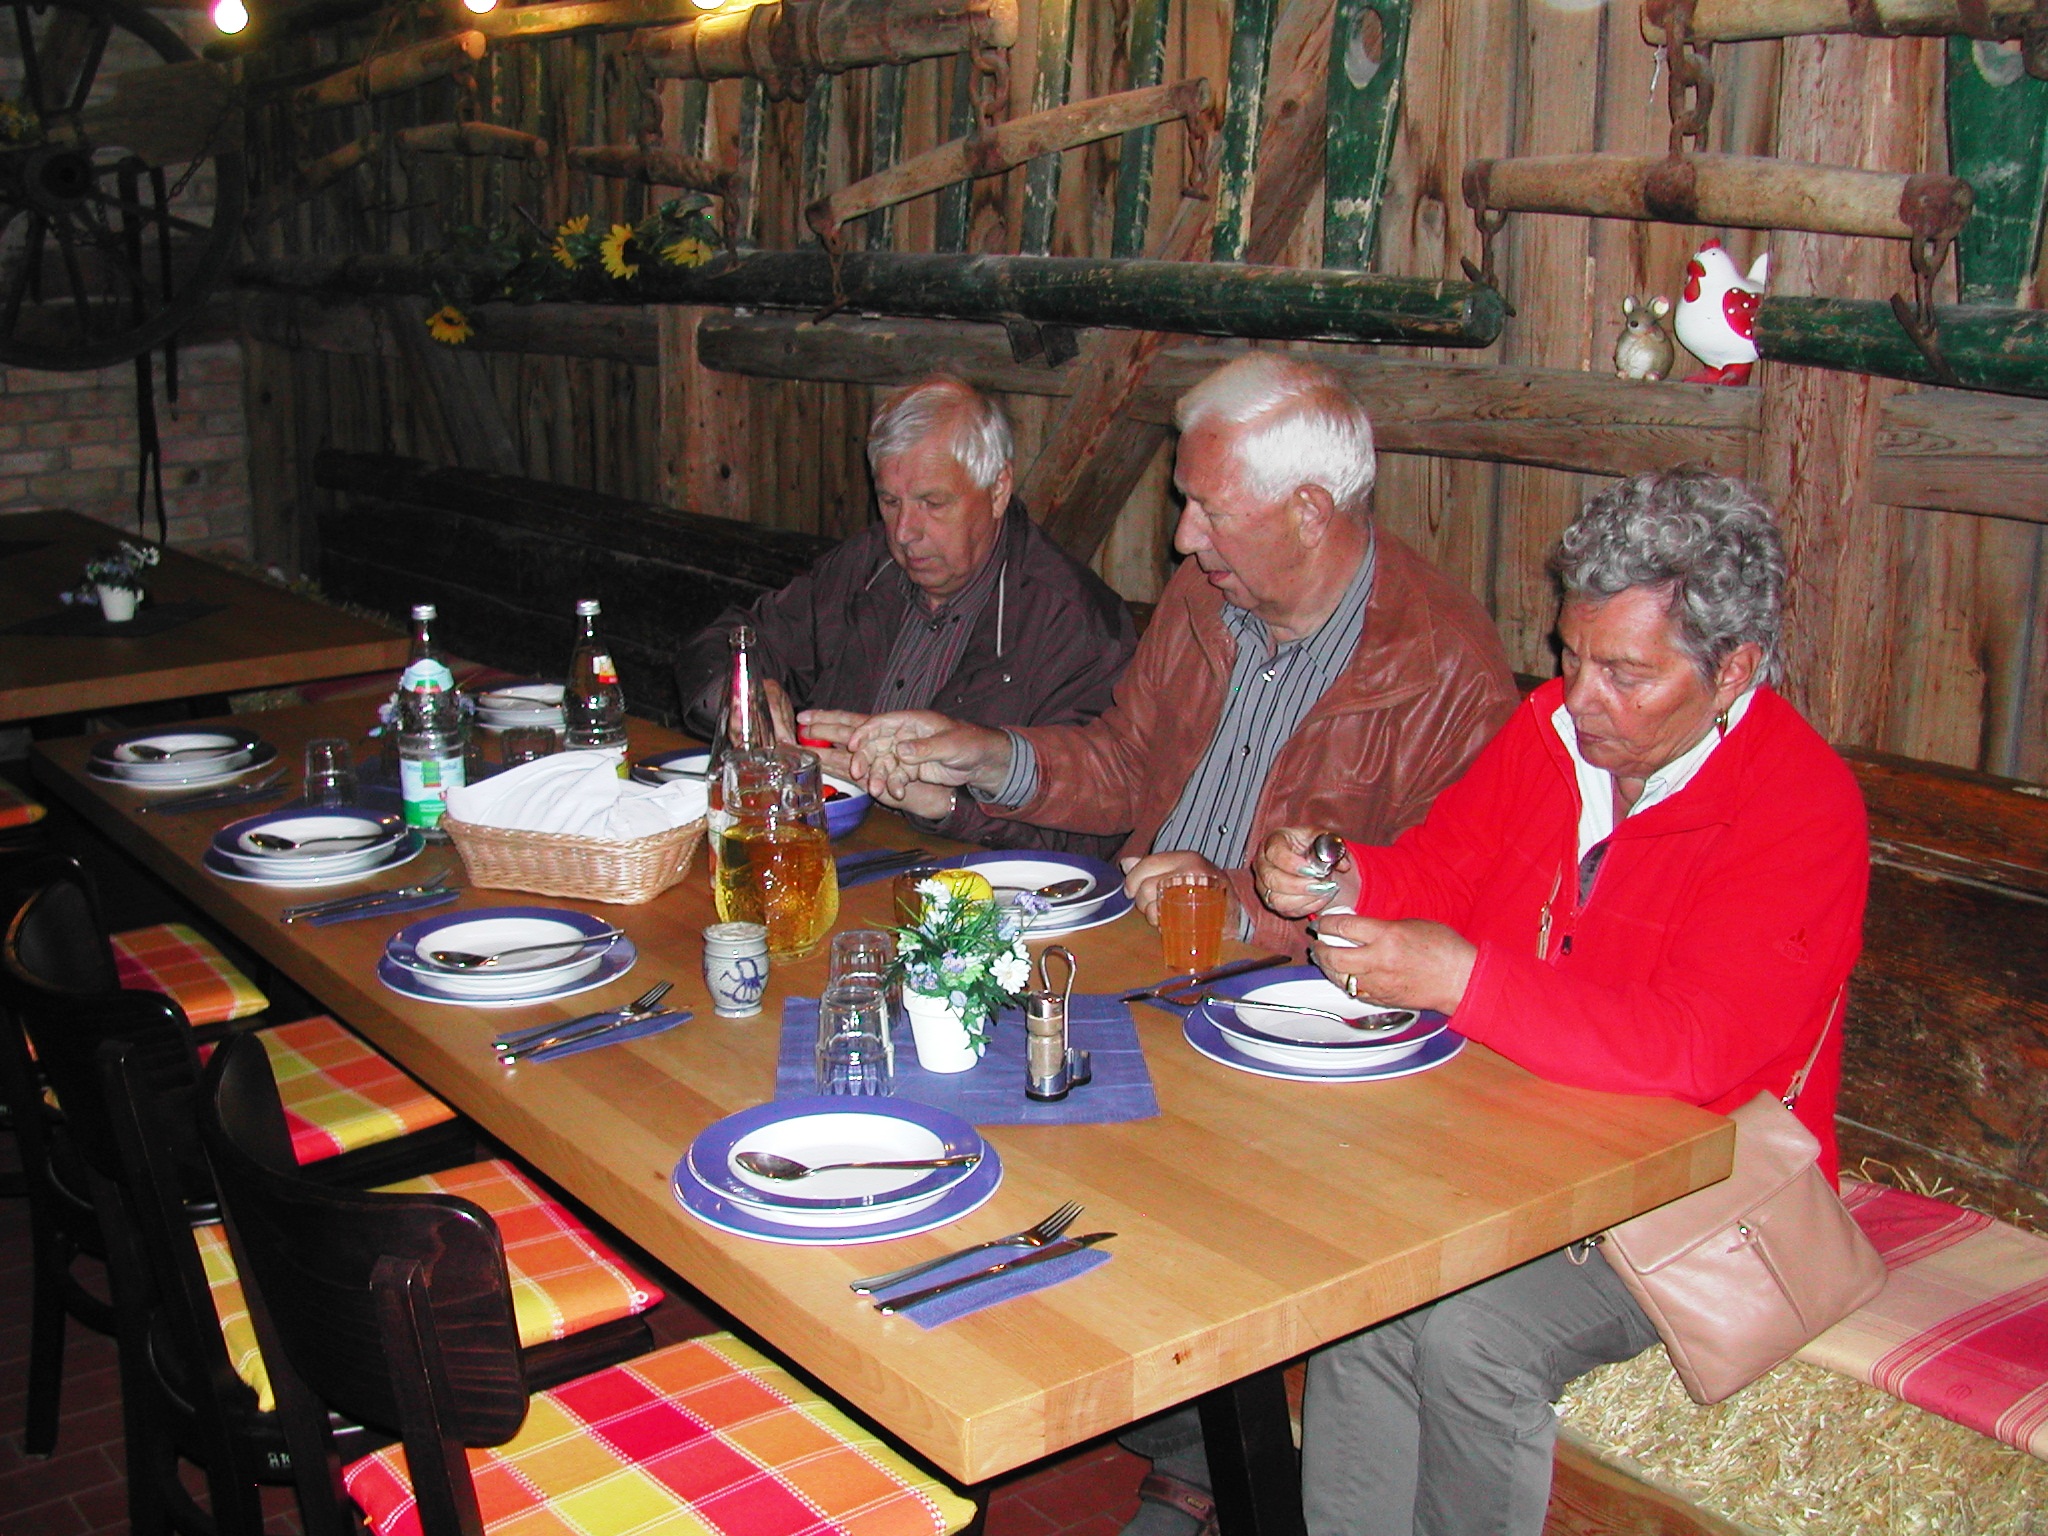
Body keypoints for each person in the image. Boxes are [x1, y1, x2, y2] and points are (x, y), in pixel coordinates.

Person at [1252, 467, 1870, 1536]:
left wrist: (1465, 981)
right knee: (1365, 1298)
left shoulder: (1797, 805)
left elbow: (1696, 1051)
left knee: (1470, 1339)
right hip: (1519, 1135)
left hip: (1691, 1177)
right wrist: (1343, 879)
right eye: (1570, 655)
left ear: (1732, 669)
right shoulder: (1551, 733)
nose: (1580, 697)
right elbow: (1446, 872)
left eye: (1625, 673)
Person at [814, 353, 1518, 956]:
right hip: (1135, 946)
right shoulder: (1206, 591)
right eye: (1186, 503)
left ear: (1308, 512)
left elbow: (1444, 904)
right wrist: (984, 756)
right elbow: (1127, 763)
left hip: (1286, 998)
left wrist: (1234, 906)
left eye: (1212, 510)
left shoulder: (1443, 669)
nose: (1184, 537)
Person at [674, 375, 1136, 854]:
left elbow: (1091, 833)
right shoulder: (866, 565)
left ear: (998, 489)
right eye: (890, 502)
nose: (904, 532)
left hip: (969, 880)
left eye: (933, 503)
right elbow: (727, 641)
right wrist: (741, 692)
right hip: (824, 849)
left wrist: (947, 807)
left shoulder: (1074, 623)